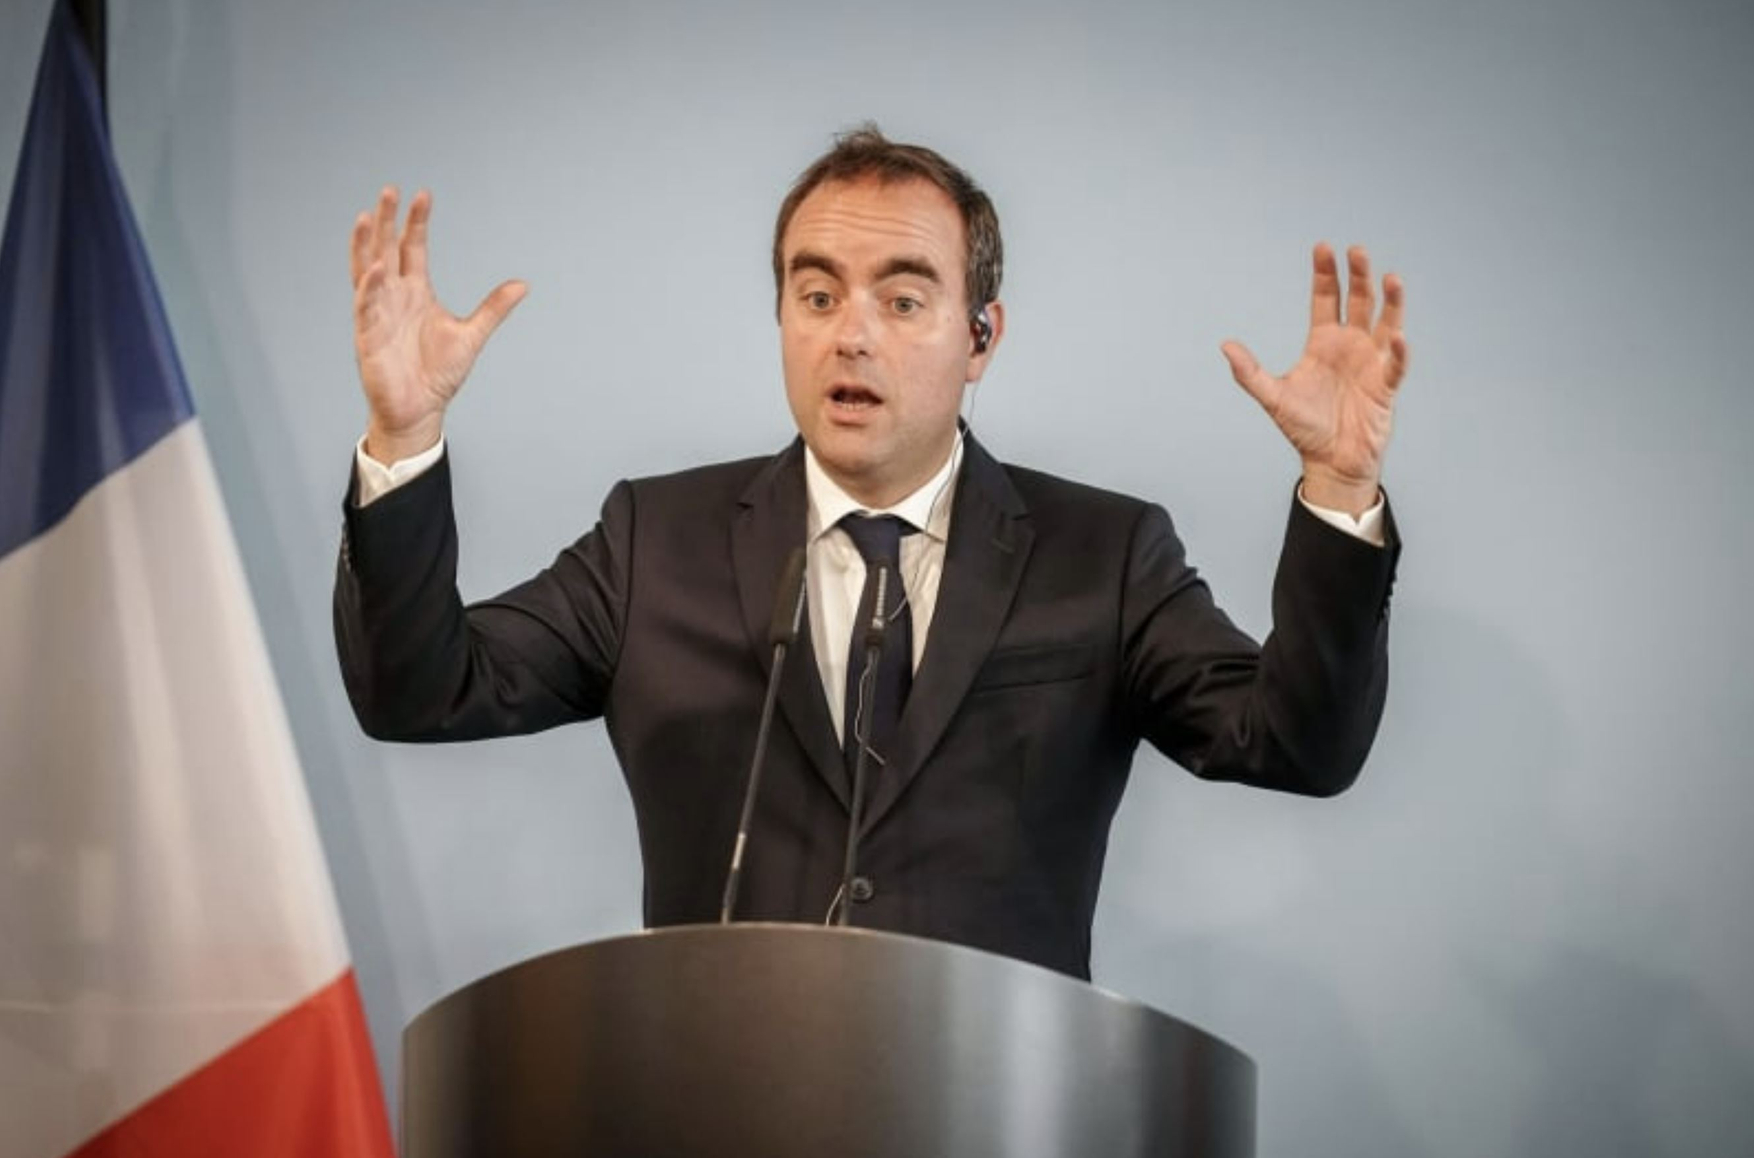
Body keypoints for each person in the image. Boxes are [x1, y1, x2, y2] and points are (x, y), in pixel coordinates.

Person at [334, 127, 1406, 981]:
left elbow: (1293, 748)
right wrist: (403, 436)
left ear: (980, 338)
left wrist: (1338, 489)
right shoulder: (654, 541)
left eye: (901, 299)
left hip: (997, 1108)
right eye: (816, 297)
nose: (850, 334)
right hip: (718, 1100)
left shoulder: (1105, 554)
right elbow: (421, 692)